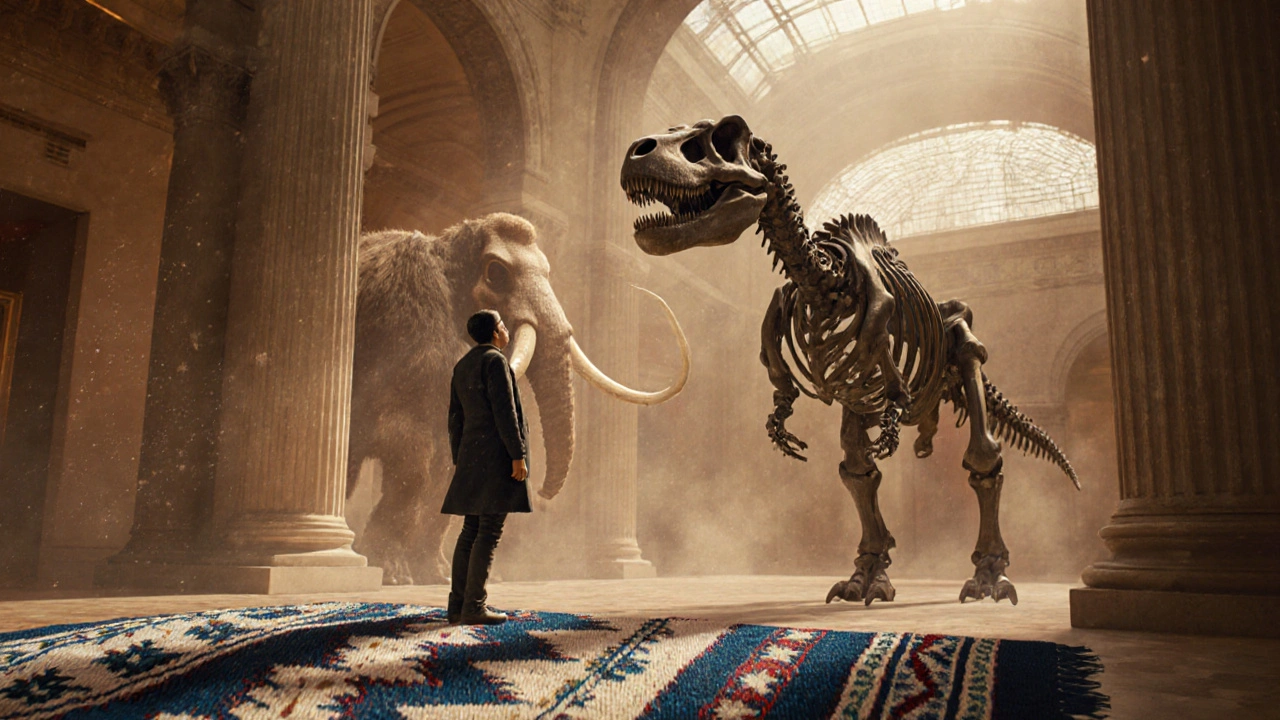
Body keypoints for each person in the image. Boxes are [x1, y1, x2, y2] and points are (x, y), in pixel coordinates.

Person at [441, 309, 531, 625]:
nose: (506, 330)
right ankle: (474, 606)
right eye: (503, 325)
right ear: (495, 333)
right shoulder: (496, 362)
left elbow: (455, 419)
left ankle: (457, 606)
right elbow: (505, 412)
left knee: (470, 530)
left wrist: (460, 458)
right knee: (489, 531)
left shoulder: (462, 365)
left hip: (471, 458)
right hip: (496, 458)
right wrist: (517, 455)